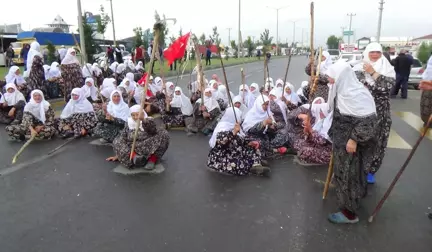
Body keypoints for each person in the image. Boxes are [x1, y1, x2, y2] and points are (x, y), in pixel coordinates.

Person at [326, 60, 377, 224]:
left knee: (350, 176)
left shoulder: (356, 94)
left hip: (351, 147)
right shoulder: (342, 91)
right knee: (345, 176)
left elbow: (369, 121)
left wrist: (354, 139)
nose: (330, 81)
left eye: (332, 78)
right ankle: (351, 203)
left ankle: (349, 213)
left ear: (341, 77)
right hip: (342, 144)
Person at [353, 42, 396, 184]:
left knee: (378, 142)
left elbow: (388, 86)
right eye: (372, 52)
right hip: (362, 111)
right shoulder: (358, 68)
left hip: (381, 113)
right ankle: (357, 169)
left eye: (378, 52)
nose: (375, 55)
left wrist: (372, 73)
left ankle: (371, 171)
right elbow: (354, 86)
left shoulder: (387, 68)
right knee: (360, 140)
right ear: (367, 53)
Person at [207, 107, 270, 176]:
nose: (240, 119)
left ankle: (256, 163)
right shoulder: (222, 127)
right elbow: (221, 141)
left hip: (236, 151)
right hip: (224, 156)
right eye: (239, 117)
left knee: (252, 148)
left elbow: (241, 138)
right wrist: (233, 132)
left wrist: (249, 142)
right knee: (236, 164)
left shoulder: (235, 126)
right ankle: (252, 167)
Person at [107, 105, 170, 170]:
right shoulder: (128, 123)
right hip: (133, 148)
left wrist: (143, 119)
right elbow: (123, 136)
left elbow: (152, 130)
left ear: (142, 113)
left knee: (164, 133)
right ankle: (135, 158)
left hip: (148, 146)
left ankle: (152, 160)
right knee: (117, 140)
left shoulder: (149, 120)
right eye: (133, 115)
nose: (135, 117)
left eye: (137, 114)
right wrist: (118, 154)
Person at [420, 54, 432, 126]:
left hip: (428, 84)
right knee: (426, 104)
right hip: (427, 84)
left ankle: (427, 121)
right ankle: (427, 121)